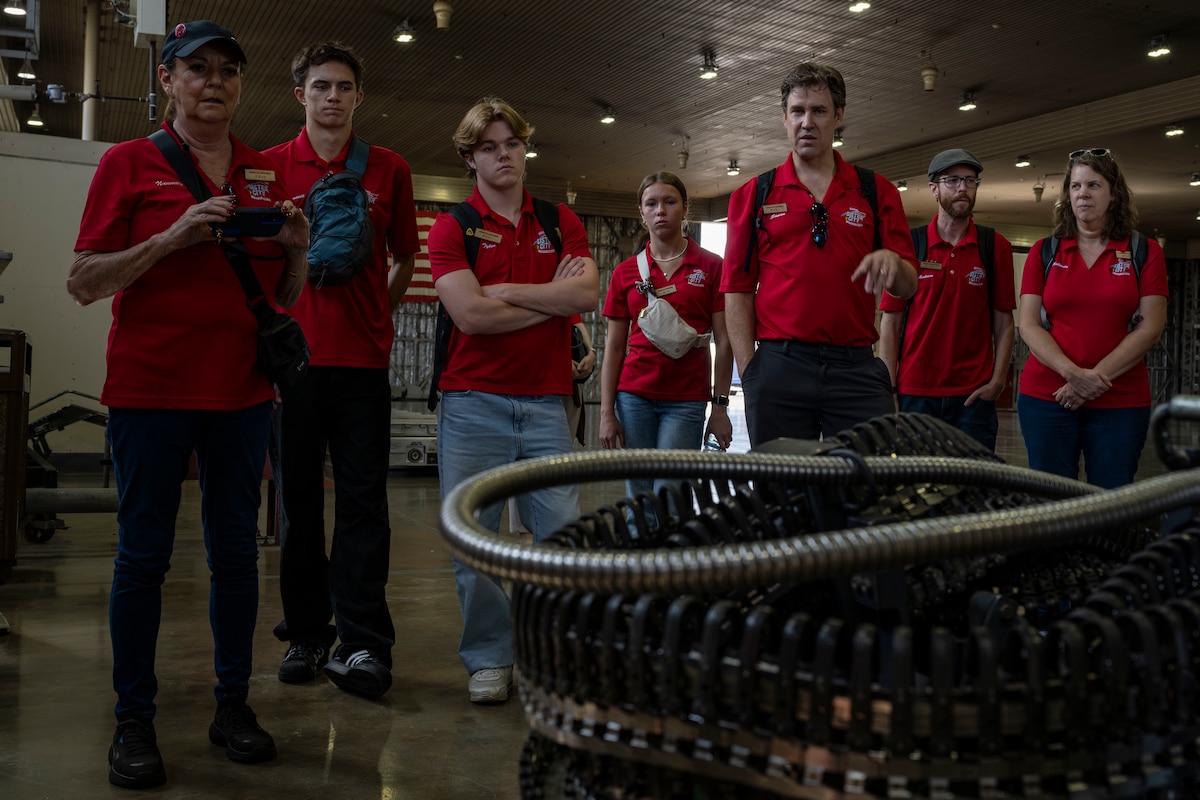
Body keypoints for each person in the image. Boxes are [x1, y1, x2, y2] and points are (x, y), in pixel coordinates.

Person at [67, 19, 309, 789]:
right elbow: (84, 280)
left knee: (237, 556)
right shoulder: (129, 163)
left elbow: (282, 298)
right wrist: (172, 237)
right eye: (196, 69)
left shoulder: (264, 173)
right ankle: (133, 719)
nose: (214, 82)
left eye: (228, 71)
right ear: (167, 79)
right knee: (144, 557)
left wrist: (299, 247)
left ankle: (232, 705)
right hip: (150, 392)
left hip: (240, 394)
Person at [426, 97, 599, 704]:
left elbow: (586, 294)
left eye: (512, 145)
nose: (504, 156)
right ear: (471, 158)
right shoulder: (452, 228)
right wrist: (550, 296)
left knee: (558, 538)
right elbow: (470, 316)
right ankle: (490, 658)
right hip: (472, 404)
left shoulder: (558, 220)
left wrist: (513, 293)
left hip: (549, 404)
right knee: (475, 538)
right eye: (490, 147)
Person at [263, 41, 420, 699]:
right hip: (293, 365)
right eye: (320, 86)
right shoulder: (266, 169)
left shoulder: (389, 169)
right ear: (300, 94)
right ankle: (306, 632)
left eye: (344, 87)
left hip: (360, 365)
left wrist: (375, 320)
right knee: (297, 507)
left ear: (359, 96)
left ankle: (364, 645)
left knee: (363, 506)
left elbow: (405, 257)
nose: (332, 96)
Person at [720, 62, 918, 448]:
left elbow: (908, 285)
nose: (806, 122)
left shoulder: (876, 192)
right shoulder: (754, 195)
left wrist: (895, 265)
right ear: (784, 117)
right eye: (797, 111)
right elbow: (736, 291)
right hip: (779, 365)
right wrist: (752, 372)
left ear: (839, 116)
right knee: (784, 496)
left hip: (856, 368)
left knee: (863, 489)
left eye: (818, 111)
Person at [1016, 148, 1167, 487]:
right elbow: (1028, 324)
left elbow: (1150, 328)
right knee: (1052, 500)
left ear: (1114, 194)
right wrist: (1073, 375)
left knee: (1110, 502)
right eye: (1075, 186)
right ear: (1068, 195)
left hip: (1120, 400)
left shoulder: (1144, 251)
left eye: (1094, 185)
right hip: (1048, 397)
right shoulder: (1045, 251)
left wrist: (1092, 381)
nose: (1083, 193)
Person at [599, 171, 733, 502]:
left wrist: (719, 407)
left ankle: (669, 554)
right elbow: (614, 347)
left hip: (686, 398)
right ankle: (639, 553)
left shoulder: (712, 266)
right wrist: (606, 413)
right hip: (633, 397)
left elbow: (724, 341)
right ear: (641, 213)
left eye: (670, 202)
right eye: (651, 203)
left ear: (685, 208)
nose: (661, 210)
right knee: (639, 496)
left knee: (671, 495)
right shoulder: (625, 272)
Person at [878, 148, 1016, 451]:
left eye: (970, 180)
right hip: (916, 394)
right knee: (917, 490)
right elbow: (889, 323)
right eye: (952, 180)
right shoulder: (910, 246)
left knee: (973, 490)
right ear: (934, 189)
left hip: (973, 398)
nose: (962, 188)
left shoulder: (995, 247)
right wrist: (889, 389)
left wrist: (998, 382)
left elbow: (1004, 323)